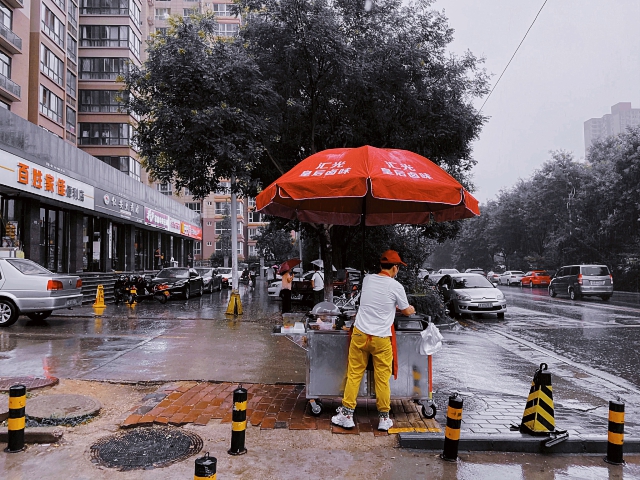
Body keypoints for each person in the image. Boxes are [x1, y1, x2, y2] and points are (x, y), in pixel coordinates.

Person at [331, 250, 415, 431]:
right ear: (395, 268)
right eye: (398, 267)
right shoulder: (396, 286)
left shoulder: (368, 279)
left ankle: (346, 415)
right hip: (381, 339)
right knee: (382, 380)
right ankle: (384, 419)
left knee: (354, 375)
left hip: (360, 335)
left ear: (380, 266)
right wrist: (411, 309)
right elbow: (406, 310)